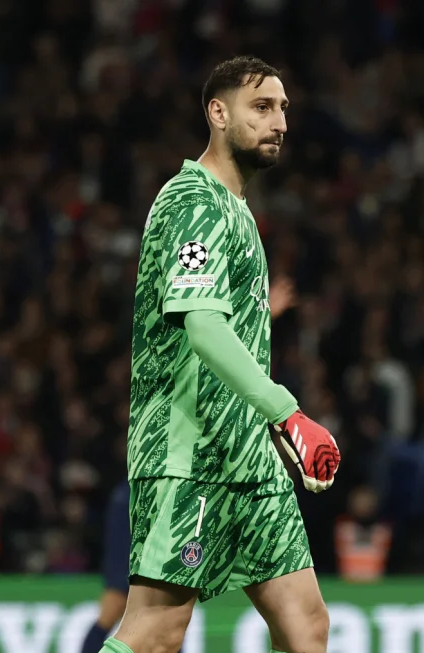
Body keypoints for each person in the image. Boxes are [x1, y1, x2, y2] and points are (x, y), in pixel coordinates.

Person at [100, 56, 341, 653]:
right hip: (188, 455)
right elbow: (204, 328)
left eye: (283, 108)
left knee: (307, 629)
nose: (279, 121)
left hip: (251, 461)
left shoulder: (237, 213)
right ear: (217, 112)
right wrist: (285, 411)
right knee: (156, 633)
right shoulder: (191, 202)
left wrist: (266, 428)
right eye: (262, 107)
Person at [82, 278, 298, 653]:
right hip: (169, 483)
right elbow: (208, 351)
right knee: (126, 610)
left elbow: (221, 355)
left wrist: (262, 317)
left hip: (199, 479)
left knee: (169, 619)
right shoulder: (173, 333)